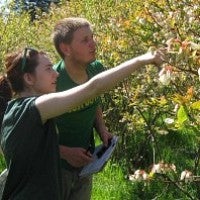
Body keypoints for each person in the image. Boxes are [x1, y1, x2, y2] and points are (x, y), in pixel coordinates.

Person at [0, 46, 165, 200]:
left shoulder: (13, 112)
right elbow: (93, 88)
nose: (56, 74)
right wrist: (143, 60)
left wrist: (63, 153)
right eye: (48, 69)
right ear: (29, 78)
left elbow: (29, 154)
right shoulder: (34, 108)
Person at [52, 17, 113, 200]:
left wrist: (102, 129)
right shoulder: (53, 81)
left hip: (86, 162)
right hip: (54, 168)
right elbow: (33, 134)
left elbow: (94, 100)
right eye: (85, 40)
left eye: (92, 37)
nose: (92, 44)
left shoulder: (96, 69)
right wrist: (65, 152)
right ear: (66, 49)